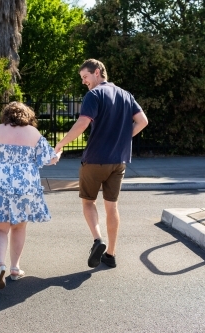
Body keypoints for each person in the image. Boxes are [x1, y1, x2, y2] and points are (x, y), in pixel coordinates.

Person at [54, 59, 148, 269]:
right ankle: (111, 255)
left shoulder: (94, 95)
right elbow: (143, 121)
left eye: (85, 77)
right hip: (119, 161)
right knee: (112, 206)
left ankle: (98, 240)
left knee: (88, 202)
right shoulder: (126, 95)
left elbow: (82, 123)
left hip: (95, 159)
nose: (84, 82)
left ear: (97, 73)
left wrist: (60, 145)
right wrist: (124, 138)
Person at [0, 101, 60, 289]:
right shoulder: (33, 133)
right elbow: (50, 158)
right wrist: (58, 154)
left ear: (6, 115)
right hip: (26, 183)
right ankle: (15, 267)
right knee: (19, 227)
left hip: (0, 180)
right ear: (28, 116)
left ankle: (0, 264)